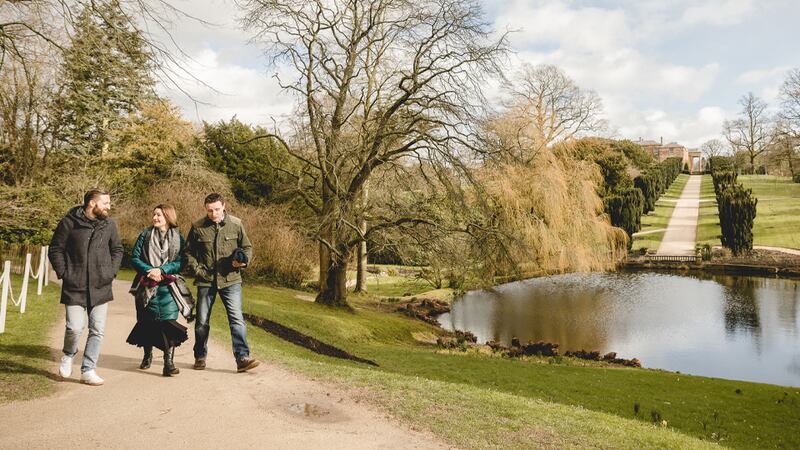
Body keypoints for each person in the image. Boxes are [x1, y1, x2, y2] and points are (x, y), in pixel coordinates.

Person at [49, 188, 123, 386]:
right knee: (74, 327)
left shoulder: (109, 224)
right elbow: (56, 249)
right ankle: (68, 355)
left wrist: (111, 272)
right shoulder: (69, 222)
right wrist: (65, 273)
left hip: (101, 286)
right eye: (105, 203)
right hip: (75, 285)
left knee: (97, 330)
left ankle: (88, 370)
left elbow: (117, 249)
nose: (109, 206)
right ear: (92, 203)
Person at [186, 193, 260, 372]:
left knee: (237, 320)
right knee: (202, 321)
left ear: (224, 206)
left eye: (217, 209)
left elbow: (247, 247)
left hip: (231, 280)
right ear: (206, 209)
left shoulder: (236, 224)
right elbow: (187, 253)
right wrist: (199, 270)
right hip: (206, 281)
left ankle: (242, 358)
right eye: (210, 210)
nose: (213, 214)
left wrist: (243, 261)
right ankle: (200, 356)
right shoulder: (197, 227)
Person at [125, 204, 188, 377]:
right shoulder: (145, 235)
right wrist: (150, 271)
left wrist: (162, 270)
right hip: (146, 285)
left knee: (168, 323)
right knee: (147, 322)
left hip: (169, 287)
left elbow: (182, 261)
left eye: (159, 215)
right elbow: (135, 258)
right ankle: (147, 354)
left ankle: (168, 363)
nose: (155, 218)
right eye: (154, 215)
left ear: (168, 217)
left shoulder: (178, 237)